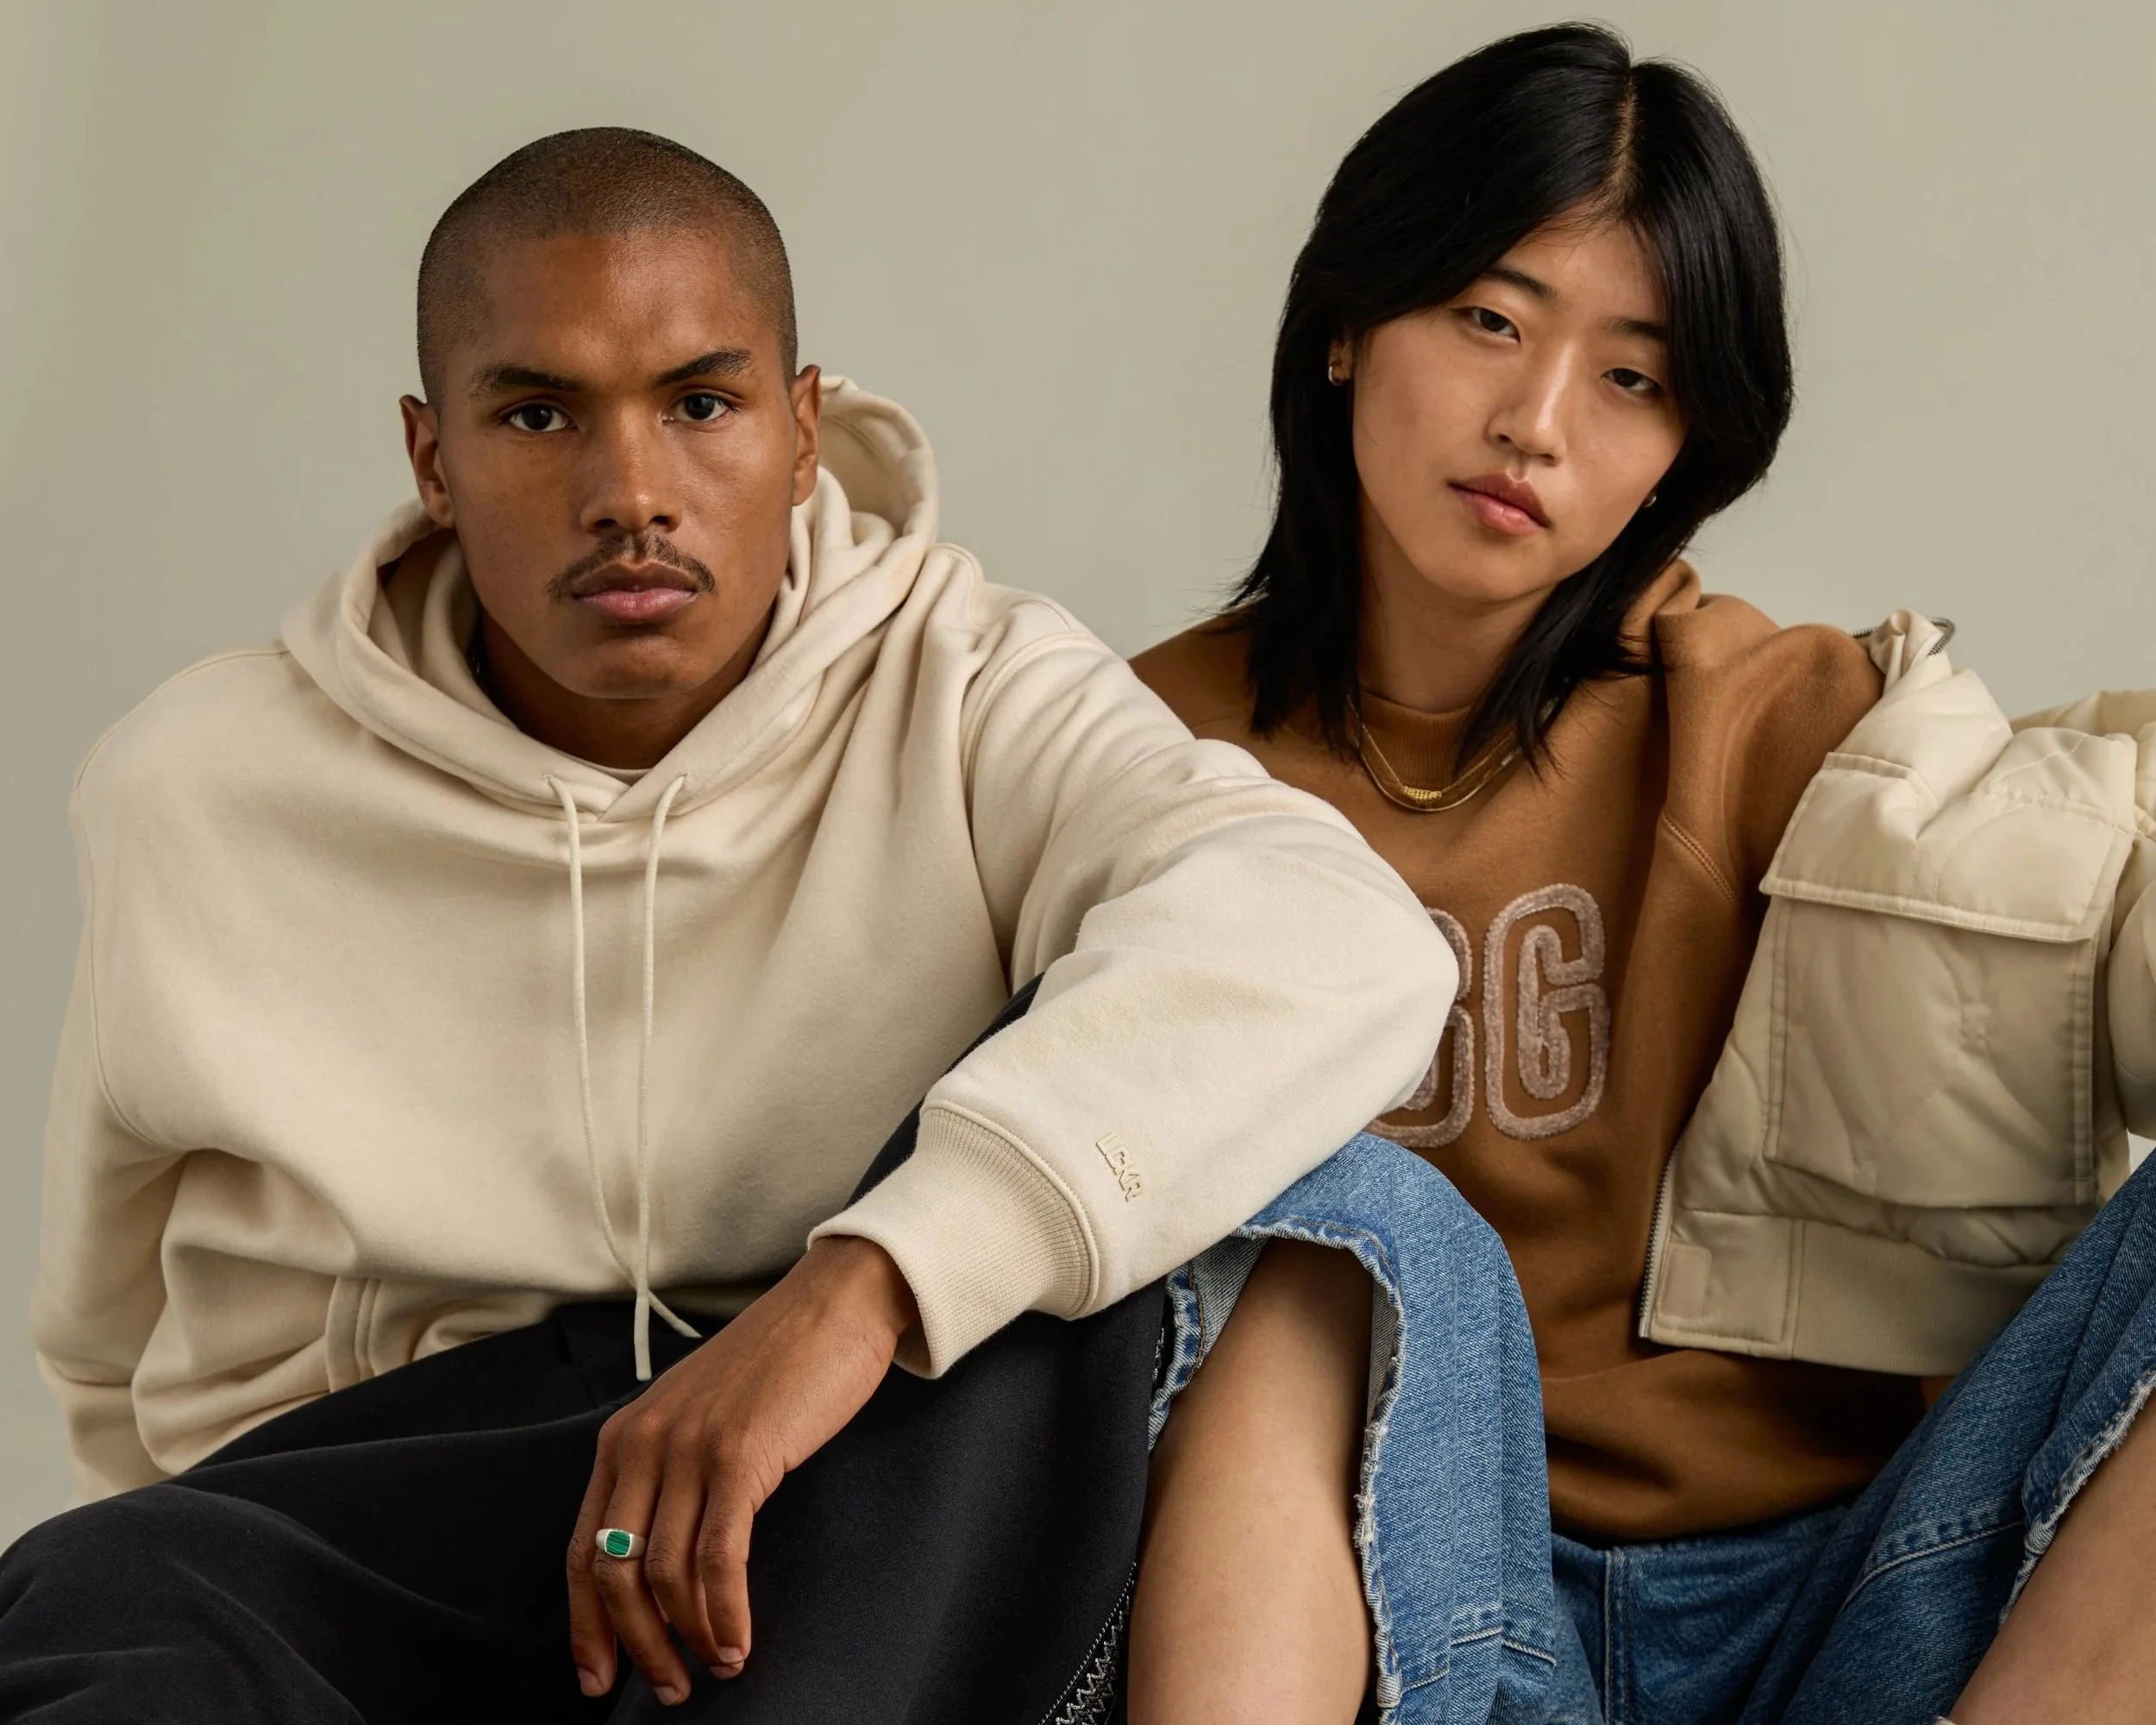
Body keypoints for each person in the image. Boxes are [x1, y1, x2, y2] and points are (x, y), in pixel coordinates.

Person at [0, 128, 1454, 1721]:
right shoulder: (196, 786)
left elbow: (1341, 938)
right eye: (537, 415)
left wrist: (866, 1287)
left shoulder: (967, 685)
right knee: (94, 1594)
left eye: (701, 405)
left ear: (803, 427)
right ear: (431, 457)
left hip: (823, 1453)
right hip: (368, 1500)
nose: (630, 496)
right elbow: (109, 1336)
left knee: (1221, 1235)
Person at [1137, 23, 2156, 1724]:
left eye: (1631, 378)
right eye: (1489, 319)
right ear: (1346, 322)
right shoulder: (1131, 758)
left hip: (1845, 1602)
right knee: (1351, 1222)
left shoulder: (1782, 722)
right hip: (1429, 1607)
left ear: (1686, 441)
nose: (1533, 425)